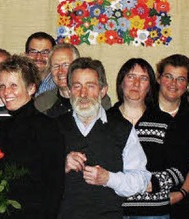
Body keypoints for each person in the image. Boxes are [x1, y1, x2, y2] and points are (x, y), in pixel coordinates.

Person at [56, 57, 150, 219]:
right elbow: (36, 178)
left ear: (102, 90)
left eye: (90, 86)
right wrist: (60, 165)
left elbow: (141, 180)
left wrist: (108, 178)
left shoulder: (122, 129)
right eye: (77, 86)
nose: (83, 94)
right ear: (69, 90)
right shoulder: (54, 128)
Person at [0, 55, 63, 219]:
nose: (5, 92)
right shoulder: (1, 129)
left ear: (31, 88)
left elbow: (54, 189)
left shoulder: (48, 128)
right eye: (2, 86)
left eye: (13, 85)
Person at [108, 58, 183, 218]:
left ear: (150, 86)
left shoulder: (165, 121)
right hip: (112, 209)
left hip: (152, 211)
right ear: (121, 82)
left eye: (143, 78)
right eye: (130, 77)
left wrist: (151, 184)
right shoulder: (105, 121)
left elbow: (180, 168)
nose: (136, 83)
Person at [155, 54, 189, 218]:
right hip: (144, 202)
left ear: (187, 84)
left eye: (180, 79)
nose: (173, 84)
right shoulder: (142, 111)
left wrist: (182, 193)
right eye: (168, 77)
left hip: (179, 202)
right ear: (158, 78)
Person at [35, 44, 111, 117]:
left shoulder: (98, 100)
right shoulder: (42, 103)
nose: (60, 71)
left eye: (66, 65)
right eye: (56, 66)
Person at [24, 32, 56, 96]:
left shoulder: (59, 84)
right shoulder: (18, 82)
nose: (38, 57)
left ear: (54, 55)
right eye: (33, 52)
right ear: (26, 55)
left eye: (45, 52)